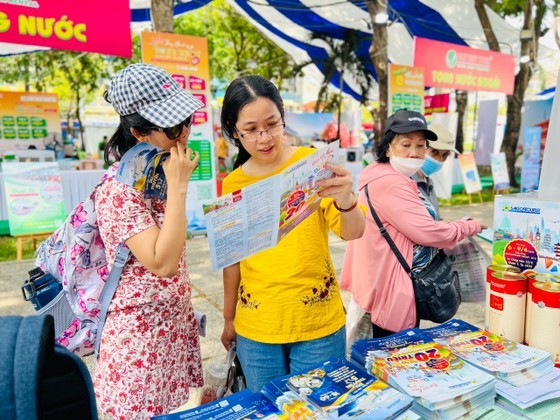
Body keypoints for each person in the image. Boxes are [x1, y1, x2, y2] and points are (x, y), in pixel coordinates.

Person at [219, 75, 366, 392]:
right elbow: (232, 261)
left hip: (317, 324)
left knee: (319, 411)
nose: (264, 138)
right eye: (251, 130)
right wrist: (229, 318)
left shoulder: (312, 165)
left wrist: (346, 199)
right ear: (234, 131)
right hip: (257, 330)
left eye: (272, 124)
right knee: (269, 411)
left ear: (283, 118)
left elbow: (354, 232)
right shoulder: (232, 184)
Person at [94, 63, 204, 418]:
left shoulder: (158, 169)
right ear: (139, 133)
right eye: (174, 126)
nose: (185, 132)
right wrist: (180, 186)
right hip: (138, 345)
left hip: (169, 331)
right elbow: (162, 263)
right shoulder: (118, 190)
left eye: (186, 118)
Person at [340, 109, 486, 338]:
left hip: (382, 278)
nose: (414, 153)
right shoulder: (390, 183)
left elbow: (412, 223)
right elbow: (428, 233)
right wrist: (469, 225)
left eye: (420, 146)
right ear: (388, 146)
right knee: (393, 356)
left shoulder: (387, 175)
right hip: (392, 287)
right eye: (406, 144)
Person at [411, 123, 459, 219]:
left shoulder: (428, 183)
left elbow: (434, 219)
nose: (439, 159)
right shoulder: (407, 181)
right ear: (421, 147)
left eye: (445, 154)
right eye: (435, 152)